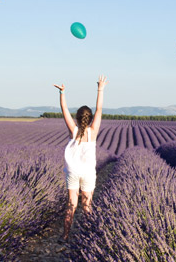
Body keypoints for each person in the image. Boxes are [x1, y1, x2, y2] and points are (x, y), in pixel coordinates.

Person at [54, 75, 107, 241]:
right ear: (90, 118)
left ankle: (65, 235)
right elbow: (99, 109)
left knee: (71, 204)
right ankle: (89, 237)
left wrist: (62, 93)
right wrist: (100, 89)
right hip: (88, 173)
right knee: (87, 206)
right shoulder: (93, 132)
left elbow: (64, 110)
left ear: (77, 118)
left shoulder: (73, 130)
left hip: (72, 171)